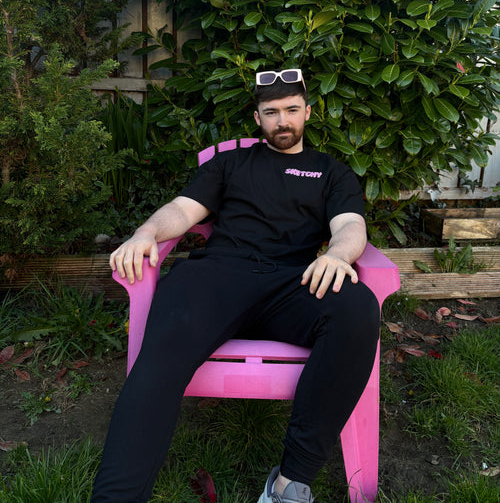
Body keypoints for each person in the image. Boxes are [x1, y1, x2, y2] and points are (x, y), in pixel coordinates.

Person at [91, 69, 380, 503]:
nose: (282, 121)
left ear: (307, 111)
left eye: (291, 110)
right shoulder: (230, 163)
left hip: (293, 283)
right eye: (271, 112)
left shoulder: (331, 172)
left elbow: (350, 226)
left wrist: (338, 255)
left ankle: (290, 483)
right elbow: (182, 210)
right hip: (218, 277)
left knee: (357, 308)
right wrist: (146, 232)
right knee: (164, 346)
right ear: (258, 118)